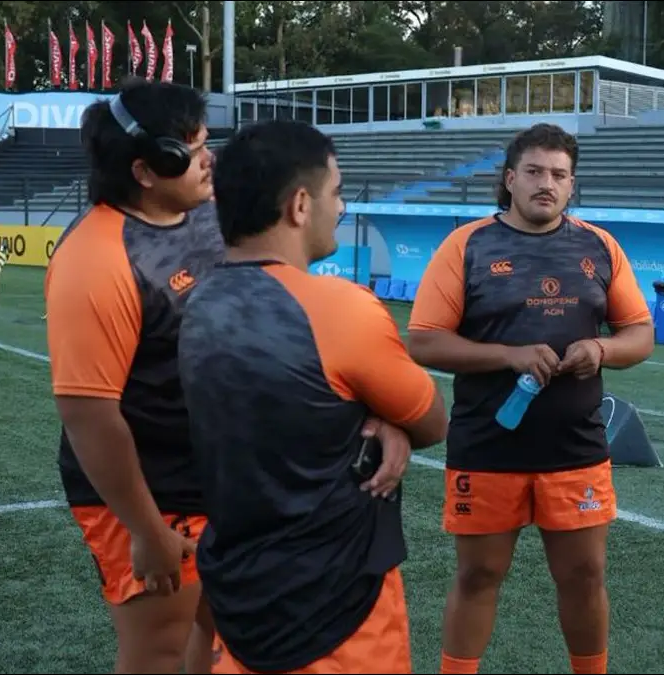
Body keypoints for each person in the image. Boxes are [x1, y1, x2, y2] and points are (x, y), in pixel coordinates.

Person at [175, 119, 449, 675]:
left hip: (239, 593)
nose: (341, 208)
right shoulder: (339, 306)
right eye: (336, 192)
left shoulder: (199, 302)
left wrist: (374, 415)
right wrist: (389, 421)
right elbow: (431, 421)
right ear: (300, 205)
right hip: (336, 606)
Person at [407, 123, 655, 675]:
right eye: (536, 172)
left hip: (576, 447)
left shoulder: (599, 245)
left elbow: (640, 334)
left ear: (572, 185)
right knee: (478, 577)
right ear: (510, 179)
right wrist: (510, 355)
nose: (548, 184)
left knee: (585, 577)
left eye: (560, 175)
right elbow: (424, 339)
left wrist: (600, 348)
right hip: (489, 445)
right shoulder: (467, 244)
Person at [44, 78, 221, 673]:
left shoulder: (207, 216)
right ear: (148, 170)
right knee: (158, 649)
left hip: (213, 472)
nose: (209, 160)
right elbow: (89, 415)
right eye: (195, 150)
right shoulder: (94, 259)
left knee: (229, 632)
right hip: (147, 491)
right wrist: (145, 528)